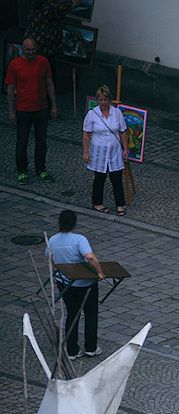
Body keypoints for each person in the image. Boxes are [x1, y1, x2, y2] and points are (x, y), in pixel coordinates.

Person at [46, 210, 104, 359]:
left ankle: (72, 350)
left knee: (72, 313)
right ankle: (90, 347)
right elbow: (89, 257)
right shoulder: (79, 239)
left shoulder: (52, 240)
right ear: (74, 223)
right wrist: (99, 272)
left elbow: (51, 259)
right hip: (85, 284)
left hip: (65, 283)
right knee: (91, 314)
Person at [5, 37, 57, 185]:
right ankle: (22, 171)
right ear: (23, 49)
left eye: (33, 49)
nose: (31, 52)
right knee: (22, 142)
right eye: (28, 50)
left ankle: (40, 169)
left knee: (42, 142)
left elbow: (49, 83)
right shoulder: (15, 65)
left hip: (41, 108)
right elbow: (10, 89)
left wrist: (53, 105)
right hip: (23, 109)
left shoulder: (43, 62)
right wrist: (11, 110)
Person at [82, 85, 128, 215]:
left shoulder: (117, 113)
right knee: (99, 178)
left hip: (114, 152)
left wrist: (125, 149)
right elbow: (86, 134)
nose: (103, 102)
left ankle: (120, 205)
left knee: (117, 178)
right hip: (99, 152)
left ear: (109, 100)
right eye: (101, 100)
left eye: (105, 100)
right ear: (97, 100)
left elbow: (122, 132)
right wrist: (86, 152)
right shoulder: (92, 114)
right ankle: (97, 203)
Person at [25, 0, 82, 87]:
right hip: (44, 47)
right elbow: (72, 4)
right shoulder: (52, 6)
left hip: (32, 42)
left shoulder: (38, 3)